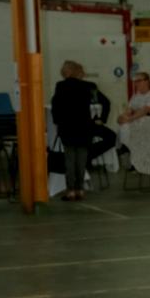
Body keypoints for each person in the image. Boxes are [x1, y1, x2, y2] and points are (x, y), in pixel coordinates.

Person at [51, 60, 94, 201]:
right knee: (81, 160)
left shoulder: (60, 86)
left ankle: (70, 190)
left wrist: (57, 122)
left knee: (69, 160)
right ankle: (80, 189)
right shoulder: (86, 86)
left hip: (68, 127)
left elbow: (55, 106)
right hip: (83, 127)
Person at [117, 72, 150, 178]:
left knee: (137, 130)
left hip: (149, 122)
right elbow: (129, 109)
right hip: (135, 121)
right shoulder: (136, 96)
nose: (136, 84)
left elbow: (145, 110)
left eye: (139, 81)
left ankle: (132, 156)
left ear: (146, 81)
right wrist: (122, 117)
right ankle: (127, 150)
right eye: (135, 82)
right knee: (123, 127)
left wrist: (129, 119)